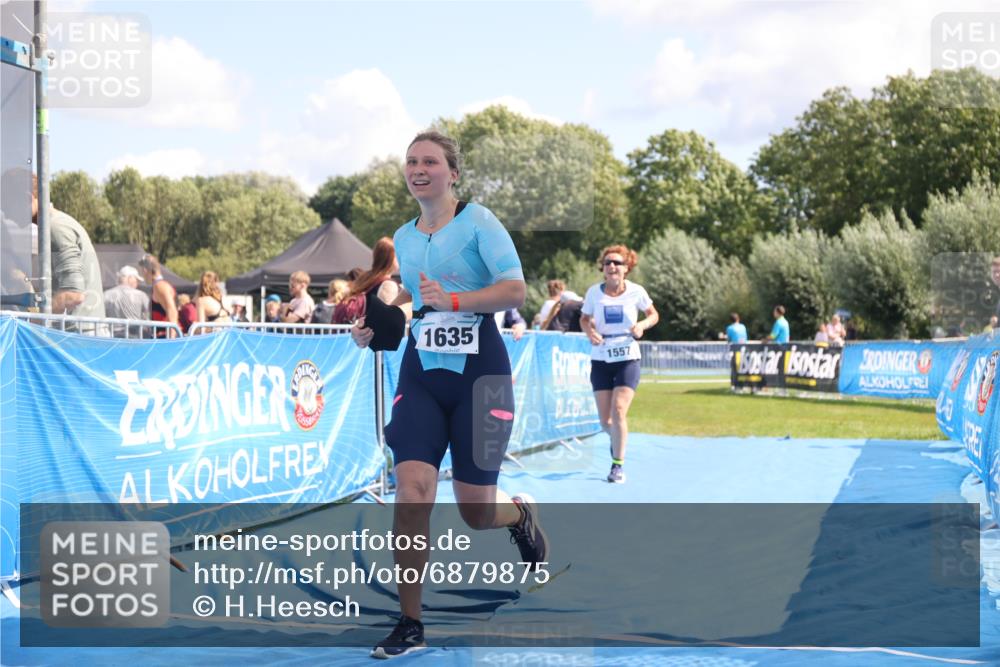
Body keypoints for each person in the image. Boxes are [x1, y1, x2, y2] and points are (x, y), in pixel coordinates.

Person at [351, 130, 547, 659]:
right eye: (411, 161)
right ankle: (410, 622)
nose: (418, 169)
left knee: (475, 511)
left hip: (480, 376)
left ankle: (520, 516)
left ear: (452, 173)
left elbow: (514, 289)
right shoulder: (404, 235)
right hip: (421, 374)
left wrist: (456, 297)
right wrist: (380, 322)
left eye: (430, 161)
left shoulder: (480, 222)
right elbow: (413, 293)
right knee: (412, 489)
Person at [580, 244, 659, 485]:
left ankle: (617, 466)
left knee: (619, 411)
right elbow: (584, 319)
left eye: (617, 263)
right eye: (607, 263)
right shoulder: (594, 292)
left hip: (627, 355)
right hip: (601, 356)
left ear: (627, 268)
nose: (612, 266)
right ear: (603, 269)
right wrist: (589, 332)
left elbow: (653, 315)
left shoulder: (637, 291)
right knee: (606, 421)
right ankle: (617, 439)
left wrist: (641, 326)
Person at [31, 175, 106, 325]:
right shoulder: (55, 225)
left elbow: (73, 294)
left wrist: (31, 321)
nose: (5, 212)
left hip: (78, 340)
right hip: (80, 337)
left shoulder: (54, 228)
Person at [333, 237, 401, 324]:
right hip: (373, 334)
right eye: (397, 255)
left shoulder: (365, 277)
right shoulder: (388, 284)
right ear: (389, 258)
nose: (401, 258)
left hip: (356, 331)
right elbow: (388, 318)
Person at [137, 254, 178, 338]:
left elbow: (172, 311)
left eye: (142, 272)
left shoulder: (160, 286)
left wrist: (171, 339)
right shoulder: (159, 285)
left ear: (145, 270)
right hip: (162, 336)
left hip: (164, 338)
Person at [103, 265, 149, 337]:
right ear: (130, 278)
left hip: (111, 337)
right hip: (134, 338)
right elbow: (147, 317)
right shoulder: (141, 295)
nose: (137, 283)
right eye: (136, 280)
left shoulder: (106, 295)